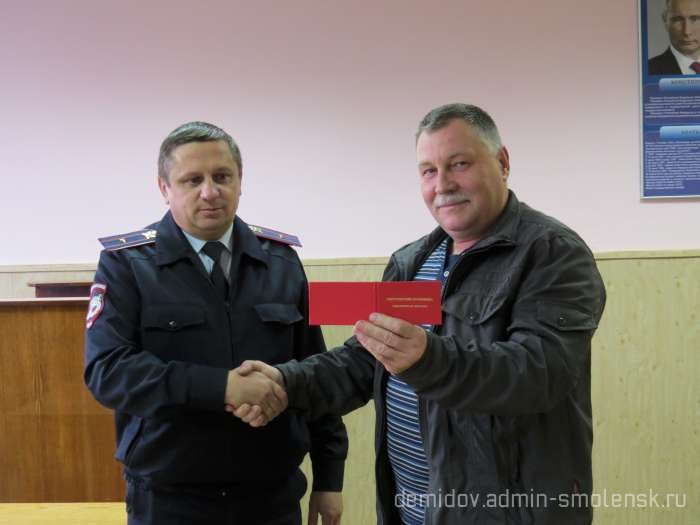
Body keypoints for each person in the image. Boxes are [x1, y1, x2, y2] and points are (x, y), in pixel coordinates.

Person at [235, 104, 606, 524]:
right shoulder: (412, 261)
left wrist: (428, 358)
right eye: (429, 171)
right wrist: (285, 383)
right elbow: (366, 360)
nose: (443, 184)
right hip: (411, 508)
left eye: (459, 164)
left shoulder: (552, 253)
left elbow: (540, 373)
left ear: (502, 163)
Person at [84, 121, 347, 525]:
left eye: (222, 176)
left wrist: (329, 477)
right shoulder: (126, 265)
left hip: (270, 497)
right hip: (169, 500)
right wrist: (221, 386)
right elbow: (108, 371)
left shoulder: (281, 261)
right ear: (164, 187)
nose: (209, 192)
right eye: (192, 180)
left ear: (240, 180)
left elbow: (315, 371)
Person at [648, 0, 700, 75]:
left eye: (695, 19)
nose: (687, 32)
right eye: (677, 20)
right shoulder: (649, 70)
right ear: (665, 21)